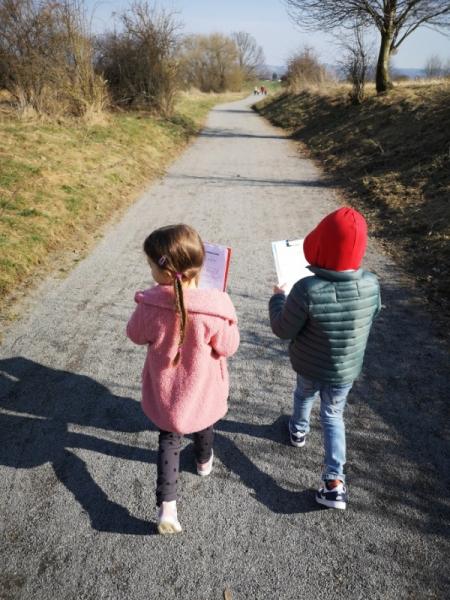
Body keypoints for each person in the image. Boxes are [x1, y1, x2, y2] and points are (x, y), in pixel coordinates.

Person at [126, 224, 239, 534]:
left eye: (150, 264)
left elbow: (135, 334)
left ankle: (167, 508)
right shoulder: (215, 307)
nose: (149, 270)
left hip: (166, 391)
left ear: (164, 271)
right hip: (203, 390)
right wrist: (228, 318)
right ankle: (203, 463)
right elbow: (228, 346)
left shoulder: (150, 305)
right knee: (205, 424)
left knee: (169, 439)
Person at [269, 207, 381, 510]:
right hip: (345, 368)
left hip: (308, 364)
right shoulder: (371, 284)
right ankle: (334, 482)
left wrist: (278, 298)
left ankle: (298, 431)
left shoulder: (306, 289)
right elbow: (372, 315)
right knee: (333, 414)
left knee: (304, 394)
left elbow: (282, 329)